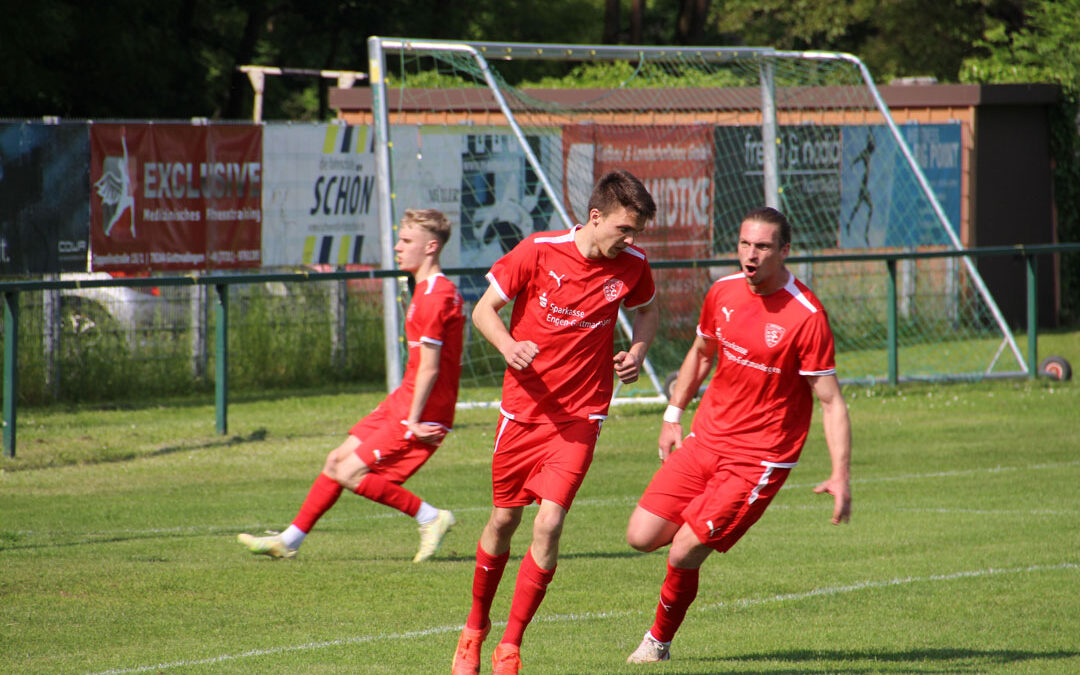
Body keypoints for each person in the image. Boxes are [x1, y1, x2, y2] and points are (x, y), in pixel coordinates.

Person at [451, 170, 659, 675]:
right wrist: (508, 346)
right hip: (523, 413)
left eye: (636, 233)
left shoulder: (633, 265)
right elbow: (484, 311)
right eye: (624, 230)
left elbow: (648, 312)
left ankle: (510, 645)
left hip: (581, 416)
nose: (630, 241)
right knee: (504, 520)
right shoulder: (539, 251)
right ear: (595, 217)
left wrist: (636, 352)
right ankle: (474, 629)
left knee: (549, 523)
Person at [624, 206, 852, 664]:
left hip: (759, 457)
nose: (751, 254)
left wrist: (840, 474)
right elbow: (701, 353)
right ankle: (703, 524)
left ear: (784, 251)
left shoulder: (806, 315)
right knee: (640, 536)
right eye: (745, 244)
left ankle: (657, 643)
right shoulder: (722, 291)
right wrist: (672, 415)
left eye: (763, 246)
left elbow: (830, 401)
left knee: (684, 550)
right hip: (705, 441)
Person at [237, 208, 465, 563]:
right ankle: (288, 541)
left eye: (407, 241)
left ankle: (430, 517)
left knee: (349, 472)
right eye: (399, 240)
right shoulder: (425, 290)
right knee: (336, 461)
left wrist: (413, 420)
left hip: (420, 408)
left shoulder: (436, 295)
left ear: (431, 247)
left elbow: (430, 368)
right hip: (403, 400)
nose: (398, 247)